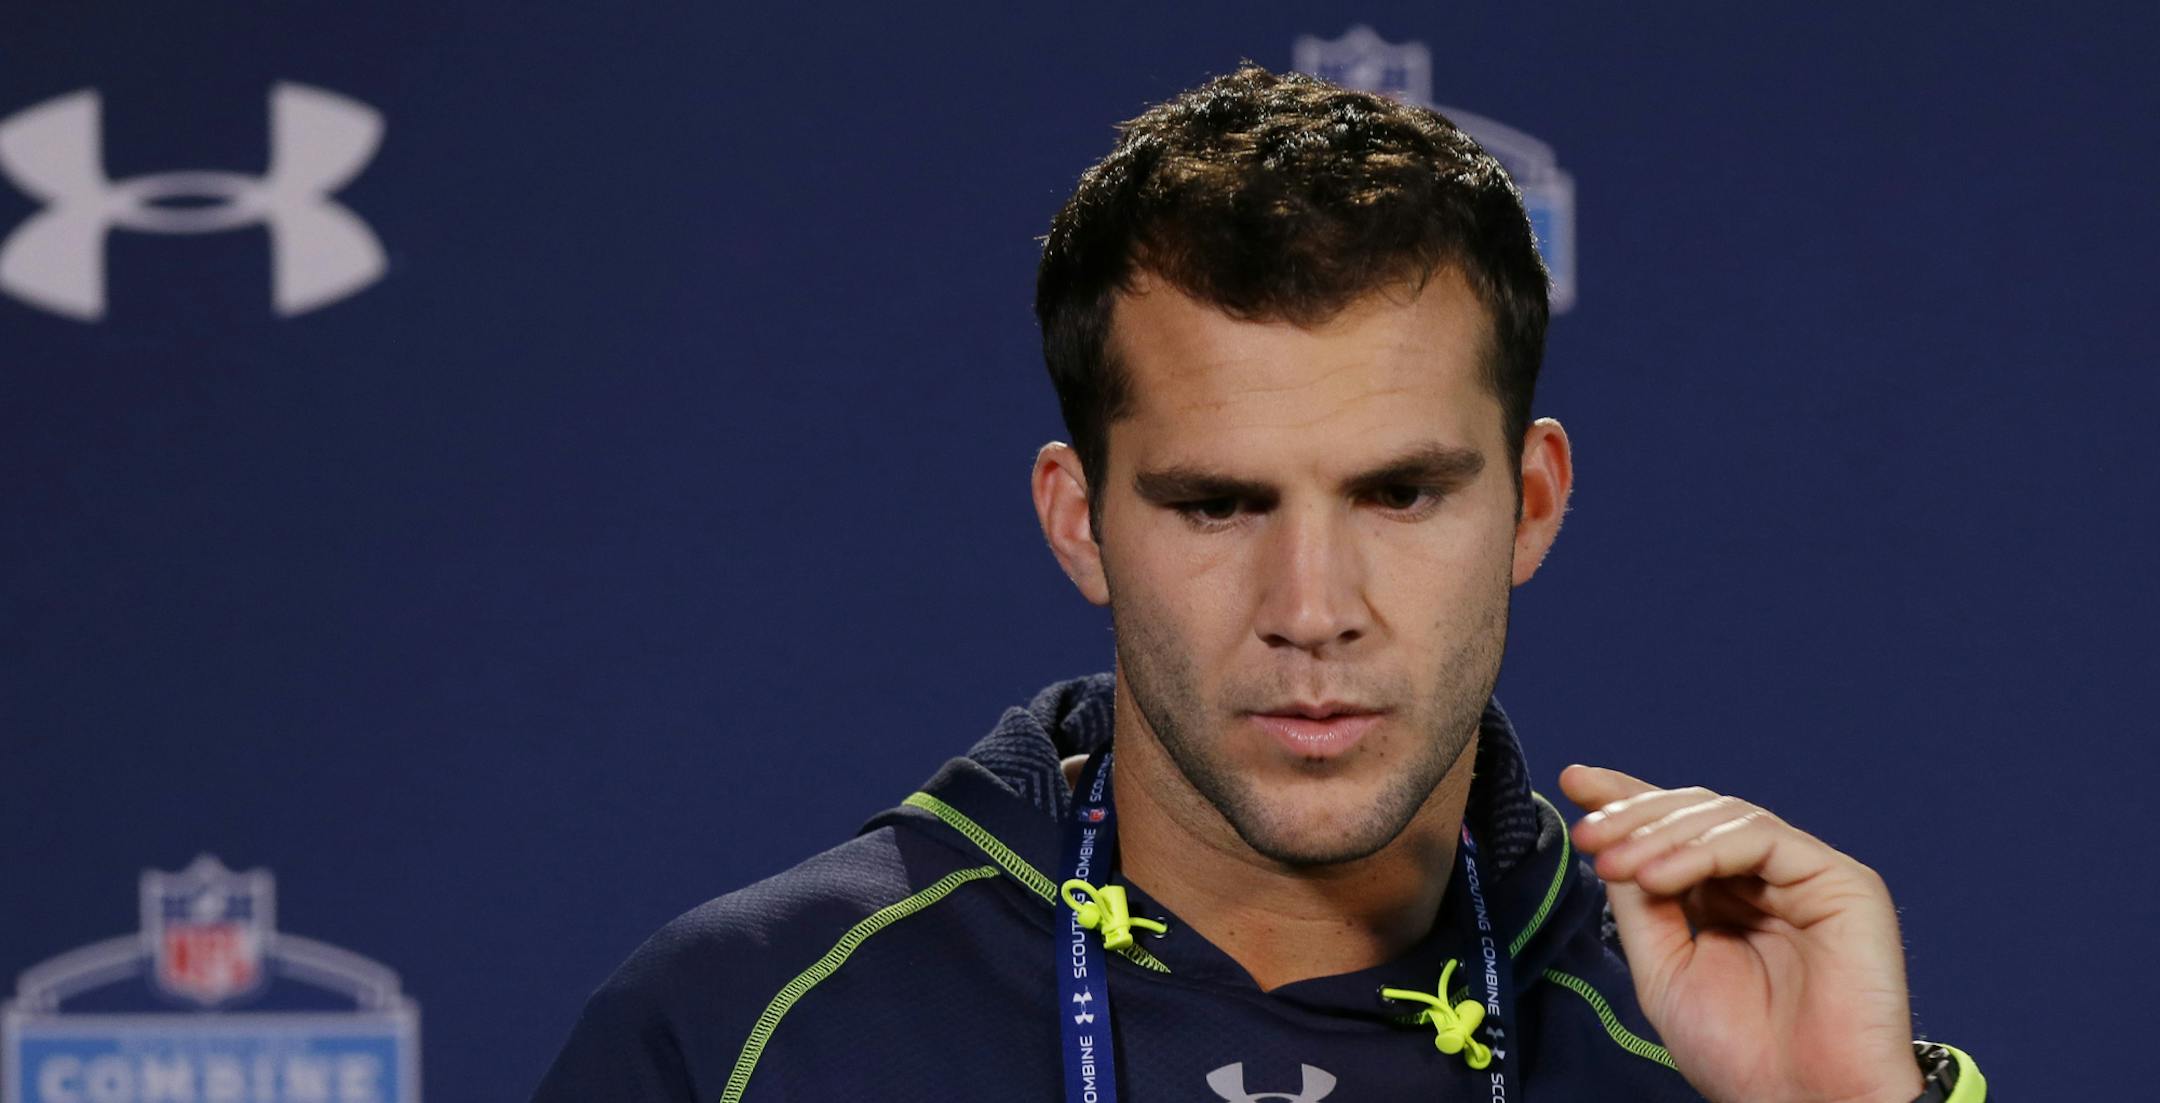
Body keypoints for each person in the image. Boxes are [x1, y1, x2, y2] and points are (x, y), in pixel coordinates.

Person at [532, 65, 1983, 1103]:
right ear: (1082, 522)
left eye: (1400, 495)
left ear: (1533, 501)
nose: (1313, 607)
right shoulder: (748, 1036)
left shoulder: (1725, 1047)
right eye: (1219, 504)